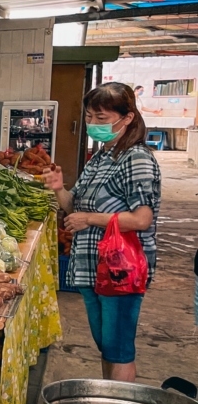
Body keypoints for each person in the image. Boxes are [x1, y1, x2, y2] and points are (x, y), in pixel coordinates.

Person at [42, 82, 161, 382]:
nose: (92, 124)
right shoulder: (101, 158)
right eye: (89, 117)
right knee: (106, 348)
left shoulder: (136, 158)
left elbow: (141, 219)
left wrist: (90, 219)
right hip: (93, 269)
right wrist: (59, 189)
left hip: (120, 271)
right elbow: (73, 207)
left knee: (119, 350)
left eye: (101, 118)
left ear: (128, 118)